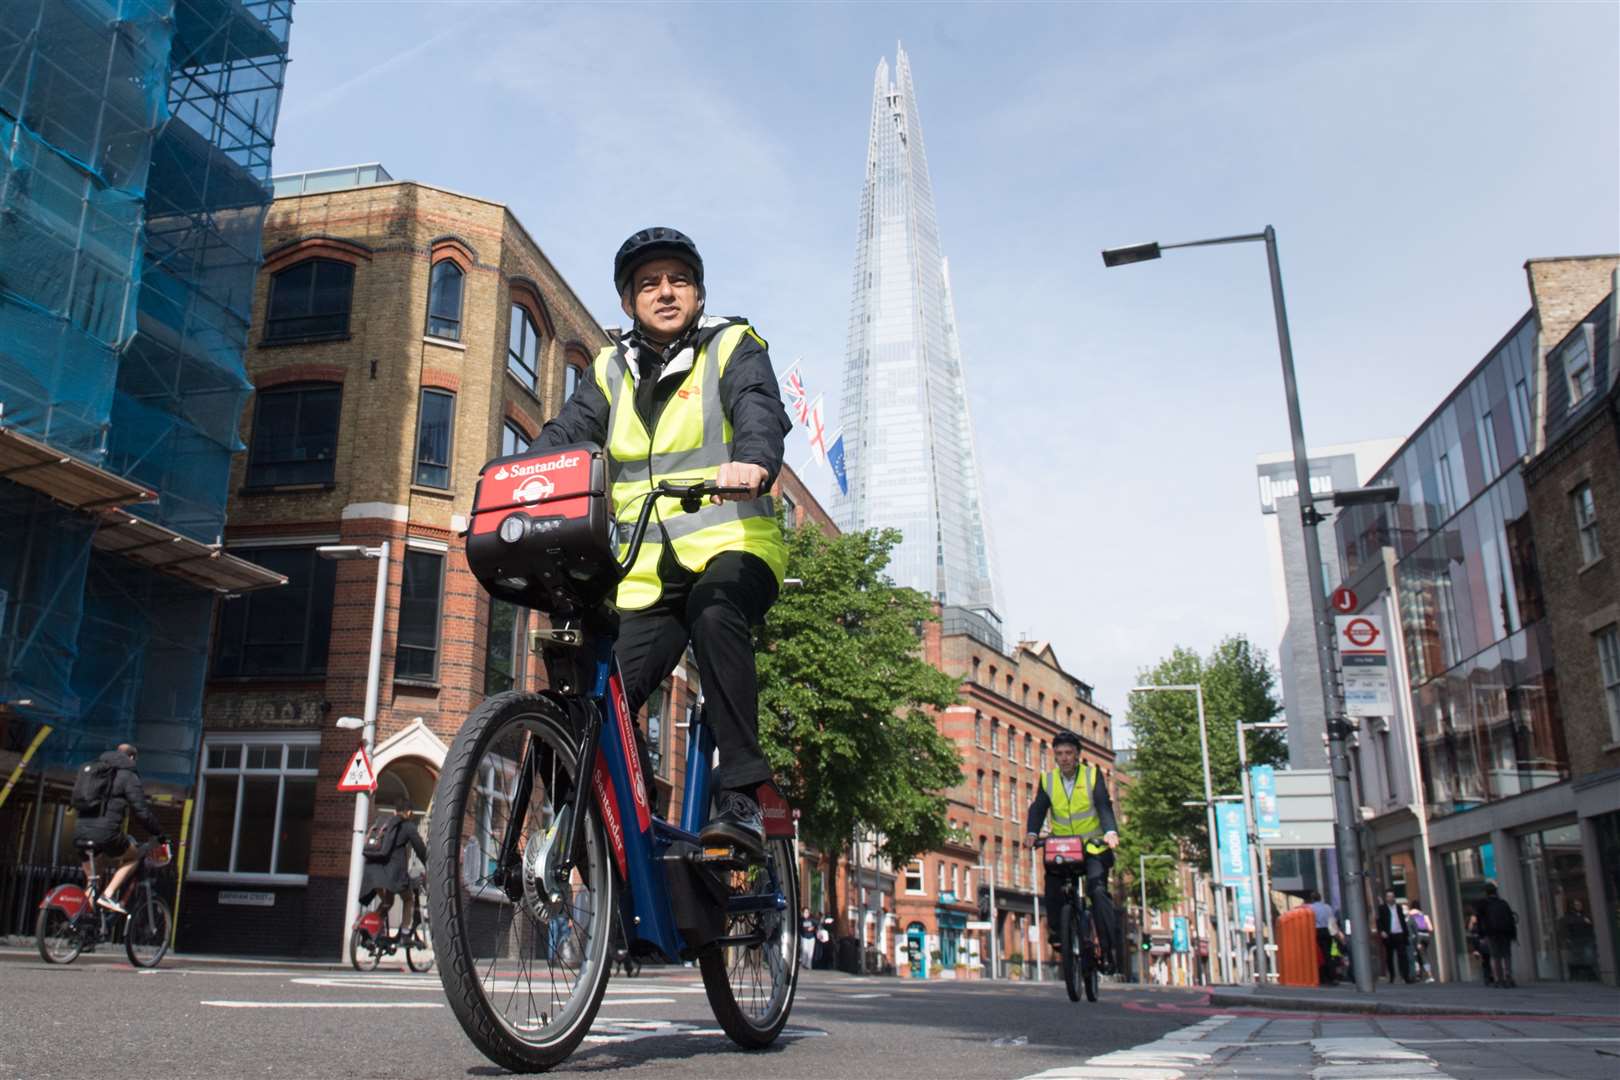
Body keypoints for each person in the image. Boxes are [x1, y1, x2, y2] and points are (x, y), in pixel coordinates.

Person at [531, 227, 791, 857]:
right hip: (644, 569)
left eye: (678, 280)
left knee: (714, 610)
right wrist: (513, 481)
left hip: (731, 543)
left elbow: (758, 406)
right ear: (628, 302)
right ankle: (618, 839)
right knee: (589, 696)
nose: (665, 292)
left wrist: (752, 460)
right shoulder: (608, 367)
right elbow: (568, 431)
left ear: (698, 294)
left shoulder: (732, 345)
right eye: (649, 283)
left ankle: (743, 796)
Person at [1024, 730, 1120, 973]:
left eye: (1068, 753)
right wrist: (1032, 833)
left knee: (1097, 892)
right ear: (1054, 756)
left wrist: (1109, 831)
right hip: (1064, 846)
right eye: (1059, 754)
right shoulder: (1048, 780)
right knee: (1053, 882)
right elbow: (1038, 808)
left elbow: (1103, 805)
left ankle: (1107, 947)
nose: (1064, 758)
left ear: (1077, 755)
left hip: (1093, 846)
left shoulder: (1091, 775)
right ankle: (1058, 932)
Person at [71, 743, 166, 916]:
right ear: (131, 758)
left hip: (80, 833)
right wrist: (159, 833)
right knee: (134, 855)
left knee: (93, 881)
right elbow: (141, 812)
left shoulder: (94, 771)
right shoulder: (128, 775)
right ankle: (108, 895)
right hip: (106, 834)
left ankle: (83, 924)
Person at [359, 795, 428, 943]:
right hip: (392, 874)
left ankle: (371, 928)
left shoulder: (382, 821)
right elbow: (420, 849)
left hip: (372, 872)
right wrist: (429, 865)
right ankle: (404, 933)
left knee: (387, 901)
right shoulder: (407, 826)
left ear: (395, 810)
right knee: (408, 898)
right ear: (408, 812)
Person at [1474, 882, 1517, 988]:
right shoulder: (1503, 903)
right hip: (1505, 933)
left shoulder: (1483, 904)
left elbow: (1480, 921)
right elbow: (1511, 920)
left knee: (1495, 956)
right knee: (1507, 955)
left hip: (1491, 933)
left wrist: (1481, 935)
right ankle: (1508, 976)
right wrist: (1513, 935)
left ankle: (1498, 979)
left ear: (1485, 893)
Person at [1375, 888, 1414, 984]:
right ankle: (1392, 976)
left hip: (1399, 934)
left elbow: (1402, 921)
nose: (1390, 898)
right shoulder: (1382, 908)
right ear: (1386, 898)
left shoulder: (1398, 908)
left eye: (1392, 896)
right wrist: (1382, 931)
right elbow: (1379, 921)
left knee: (1403, 956)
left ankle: (1405, 976)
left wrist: (1406, 933)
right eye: (1388, 896)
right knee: (1389, 956)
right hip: (1389, 935)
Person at [1307, 890, 1338, 985]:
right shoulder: (1327, 907)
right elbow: (1332, 921)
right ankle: (1331, 977)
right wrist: (1335, 934)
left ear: (1312, 899)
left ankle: (1322, 977)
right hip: (1327, 931)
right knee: (1328, 954)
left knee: (1318, 956)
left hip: (1316, 932)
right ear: (1320, 898)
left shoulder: (1310, 908)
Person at [1407, 902, 1434, 981]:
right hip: (1426, 937)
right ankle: (1425, 974)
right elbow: (1430, 928)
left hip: (1417, 937)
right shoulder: (1424, 915)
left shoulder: (1410, 915)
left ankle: (1427, 975)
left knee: (1417, 956)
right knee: (1423, 955)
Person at [798, 907, 817, 971]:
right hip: (804, 937)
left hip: (811, 937)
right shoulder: (801, 920)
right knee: (804, 951)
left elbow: (817, 924)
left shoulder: (812, 919)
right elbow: (800, 928)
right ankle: (803, 964)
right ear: (803, 913)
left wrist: (813, 928)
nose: (806, 914)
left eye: (807, 912)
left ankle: (809, 965)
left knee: (810, 952)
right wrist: (805, 929)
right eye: (805, 912)